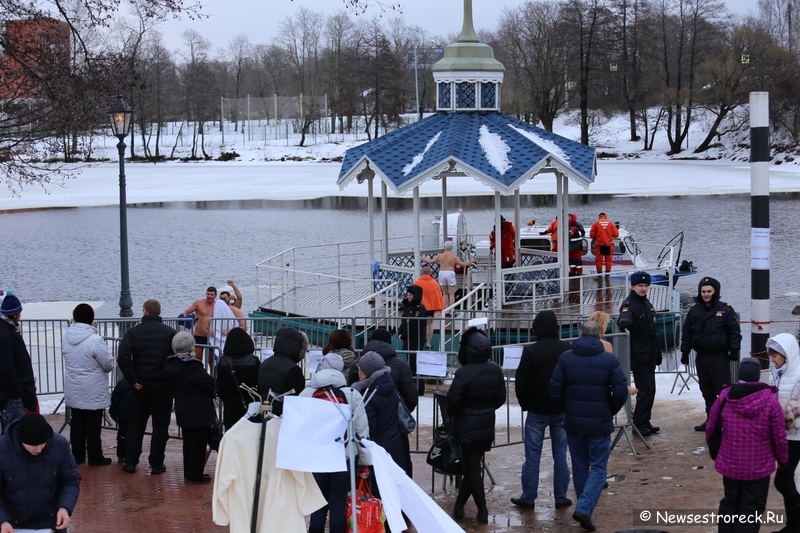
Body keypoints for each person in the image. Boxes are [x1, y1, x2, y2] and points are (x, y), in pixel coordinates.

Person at [549, 321, 628, 532]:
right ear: (600, 335)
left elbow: (554, 390)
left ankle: (584, 507)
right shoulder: (609, 359)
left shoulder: (566, 358)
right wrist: (608, 410)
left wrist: (566, 409)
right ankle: (585, 507)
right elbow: (620, 391)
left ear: (580, 334)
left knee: (580, 465)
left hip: (574, 422)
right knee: (599, 467)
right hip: (599, 422)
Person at [706, 357, 787, 532]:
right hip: (759, 466)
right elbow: (779, 436)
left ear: (739, 374)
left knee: (730, 501)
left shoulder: (725, 397)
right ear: (758, 376)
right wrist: (782, 459)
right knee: (751, 508)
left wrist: (716, 453)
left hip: (731, 463)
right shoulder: (771, 400)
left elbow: (711, 427)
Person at [300, 353, 370, 533]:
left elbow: (298, 427)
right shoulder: (352, 394)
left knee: (317, 502)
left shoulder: (307, 393)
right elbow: (362, 432)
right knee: (338, 504)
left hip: (316, 456)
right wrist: (364, 461)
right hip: (343, 456)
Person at [512, 310, 573, 511]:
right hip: (561, 409)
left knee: (532, 456)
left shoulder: (531, 351)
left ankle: (529, 497)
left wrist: (526, 404)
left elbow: (521, 381)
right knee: (561, 455)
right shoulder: (566, 349)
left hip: (537, 409)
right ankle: (561, 496)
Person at [447, 327, 506, 523]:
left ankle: (482, 509)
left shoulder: (464, 373)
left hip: (466, 424)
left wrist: (456, 413)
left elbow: (453, 402)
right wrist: (486, 408)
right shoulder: (495, 369)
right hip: (486, 422)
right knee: (474, 465)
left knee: (472, 468)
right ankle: (459, 506)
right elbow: (500, 398)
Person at [117, 299, 176, 475]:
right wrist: (169, 379)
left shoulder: (133, 333)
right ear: (159, 313)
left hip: (140, 386)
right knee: (160, 426)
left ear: (144, 312)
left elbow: (124, 357)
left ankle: (131, 461)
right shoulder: (170, 333)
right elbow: (177, 357)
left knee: (136, 425)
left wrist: (132, 379)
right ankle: (156, 463)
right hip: (162, 386)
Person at [0, 413, 81, 532]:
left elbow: (70, 481)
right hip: (14, 524)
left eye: (42, 444)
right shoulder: (3, 449)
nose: (38, 449)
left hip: (51, 522)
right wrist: (2, 520)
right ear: (20, 440)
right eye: (32, 446)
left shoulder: (59, 445)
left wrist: (65, 507)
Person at [680, 277, 742, 432]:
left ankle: (726, 421)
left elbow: (734, 332)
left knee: (723, 391)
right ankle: (711, 420)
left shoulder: (725, 310)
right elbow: (687, 333)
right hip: (701, 356)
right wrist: (685, 352)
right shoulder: (694, 311)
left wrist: (734, 350)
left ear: (715, 292)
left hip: (719, 357)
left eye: (709, 291)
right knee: (706, 391)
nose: (706, 294)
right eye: (703, 291)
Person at [355, 328, 418, 477]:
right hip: (394, 427)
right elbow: (411, 396)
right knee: (400, 465)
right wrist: (399, 412)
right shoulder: (400, 365)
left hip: (372, 433)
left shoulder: (360, 365)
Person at [62, 303, 114, 466]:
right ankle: (94, 455)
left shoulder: (66, 336)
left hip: (73, 385)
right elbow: (108, 364)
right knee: (93, 423)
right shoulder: (95, 339)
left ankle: (77, 455)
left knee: (77, 420)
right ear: (92, 319)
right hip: (92, 387)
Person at [166, 332, 217, 484]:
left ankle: (189, 471)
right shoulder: (193, 367)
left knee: (188, 442)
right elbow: (209, 384)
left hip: (183, 407)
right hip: (198, 409)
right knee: (198, 443)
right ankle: (195, 474)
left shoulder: (171, 365)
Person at [617, 271, 661, 437]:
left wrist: (657, 352)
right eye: (640, 286)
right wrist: (624, 322)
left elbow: (652, 331)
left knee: (651, 390)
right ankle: (639, 424)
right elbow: (624, 316)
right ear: (632, 286)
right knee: (646, 391)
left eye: (646, 286)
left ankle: (645, 421)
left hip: (649, 354)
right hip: (639, 355)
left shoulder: (646, 303)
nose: (643, 289)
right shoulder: (630, 304)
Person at [351, 351, 406, 471]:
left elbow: (370, 428)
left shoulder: (368, 396)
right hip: (394, 444)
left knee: (379, 488)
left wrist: (366, 458)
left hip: (379, 449)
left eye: (359, 369)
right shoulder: (389, 386)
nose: (358, 373)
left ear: (366, 374)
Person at [768, 333, 800, 533]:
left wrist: (778, 409)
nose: (772, 359)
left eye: (776, 356)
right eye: (771, 355)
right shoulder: (778, 374)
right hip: (783, 436)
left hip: (796, 437)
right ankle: (793, 525)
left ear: (787, 355)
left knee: (782, 480)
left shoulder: (798, 376)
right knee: (785, 480)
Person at [0, 294, 37, 431]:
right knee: (14, 436)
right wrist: (16, 393)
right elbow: (6, 367)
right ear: (15, 314)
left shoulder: (8, 330)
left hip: (13, 393)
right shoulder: (5, 334)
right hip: (11, 397)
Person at [216, 327, 260, 430]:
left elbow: (220, 387)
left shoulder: (223, 362)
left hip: (231, 406)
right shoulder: (254, 361)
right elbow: (259, 384)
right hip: (251, 407)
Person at [257, 327, 307, 416]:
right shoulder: (293, 369)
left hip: (263, 413)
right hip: (283, 416)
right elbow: (298, 398)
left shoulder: (264, 364)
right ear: (296, 346)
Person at [423, 241, 476, 310]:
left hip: (442, 272)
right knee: (451, 293)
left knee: (444, 293)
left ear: (445, 247)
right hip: (450, 272)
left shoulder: (440, 256)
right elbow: (464, 264)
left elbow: (430, 261)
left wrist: (424, 258)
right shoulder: (454, 257)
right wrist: (471, 261)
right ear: (451, 247)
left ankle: (446, 309)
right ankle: (452, 309)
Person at [398, 285, 427, 396]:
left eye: (410, 295)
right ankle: (413, 387)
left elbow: (414, 325)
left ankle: (419, 388)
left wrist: (403, 335)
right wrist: (400, 333)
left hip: (415, 340)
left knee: (416, 365)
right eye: (408, 294)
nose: (408, 297)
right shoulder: (408, 307)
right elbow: (404, 322)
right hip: (408, 340)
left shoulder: (419, 308)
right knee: (411, 364)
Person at [182, 286, 218, 360]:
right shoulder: (199, 303)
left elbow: (230, 311)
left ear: (215, 296)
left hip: (211, 337)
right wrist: (189, 321)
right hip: (199, 335)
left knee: (211, 361)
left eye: (211, 295)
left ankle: (211, 372)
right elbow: (185, 313)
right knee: (197, 359)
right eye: (208, 294)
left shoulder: (217, 305)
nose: (209, 296)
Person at [414, 266, 444, 349]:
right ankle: (428, 343)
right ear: (430, 273)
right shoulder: (434, 282)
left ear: (421, 273)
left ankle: (419, 341)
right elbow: (438, 295)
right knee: (430, 324)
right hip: (430, 307)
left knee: (419, 324)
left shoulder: (417, 282)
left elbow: (413, 295)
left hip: (419, 306)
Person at [109, 375, 132, 464]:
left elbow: (115, 400)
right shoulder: (142, 384)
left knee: (122, 434)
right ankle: (131, 457)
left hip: (123, 415)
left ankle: (121, 455)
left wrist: (113, 412)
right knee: (135, 435)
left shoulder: (121, 384)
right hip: (136, 415)